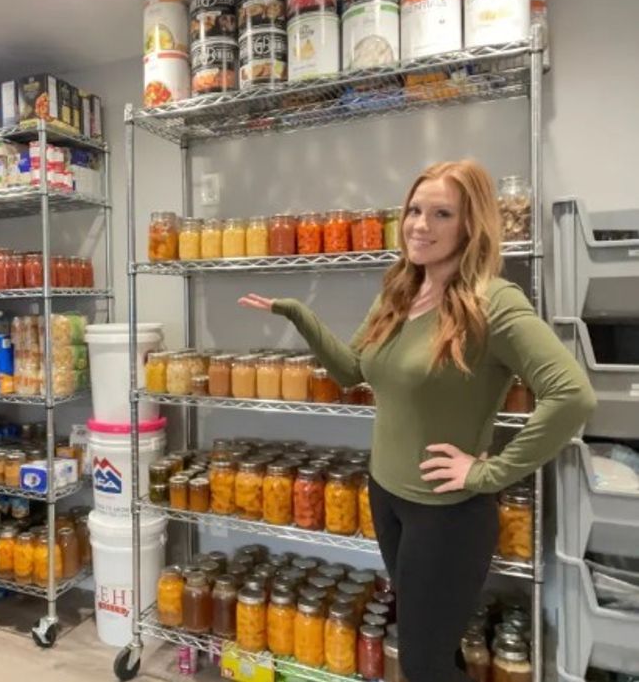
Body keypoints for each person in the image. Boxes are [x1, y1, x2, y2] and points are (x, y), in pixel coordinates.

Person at [239, 160, 595, 682]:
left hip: (446, 515)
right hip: (386, 495)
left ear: (471, 225)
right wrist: (298, 314)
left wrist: (489, 472)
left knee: (423, 663)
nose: (419, 225)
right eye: (414, 210)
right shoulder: (399, 292)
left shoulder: (493, 302)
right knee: (433, 648)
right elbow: (351, 371)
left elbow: (572, 395)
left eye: (441, 214)